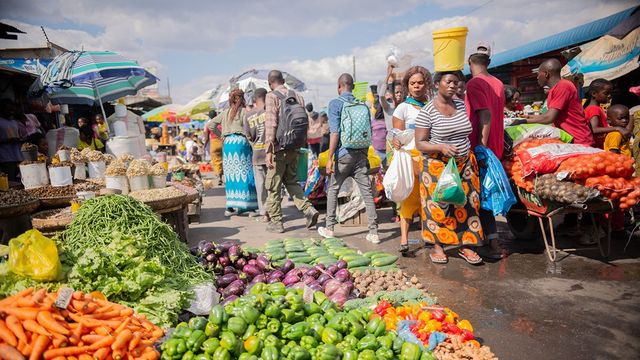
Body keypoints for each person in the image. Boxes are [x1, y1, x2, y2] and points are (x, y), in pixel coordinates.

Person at [414, 71, 484, 265]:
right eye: (449, 82)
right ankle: (438, 246)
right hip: (437, 166)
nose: (453, 86)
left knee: (468, 203)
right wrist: (441, 147)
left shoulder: (460, 104)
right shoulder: (427, 111)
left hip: (464, 164)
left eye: (456, 82)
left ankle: (466, 245)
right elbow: (420, 143)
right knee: (439, 206)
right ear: (437, 84)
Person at [317, 73, 379, 243]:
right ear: (352, 86)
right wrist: (365, 154)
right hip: (361, 153)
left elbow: (335, 132)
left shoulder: (335, 103)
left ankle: (329, 228)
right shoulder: (363, 105)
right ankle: (374, 233)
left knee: (333, 189)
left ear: (339, 86)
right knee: (366, 192)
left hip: (344, 154)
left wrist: (330, 157)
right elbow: (369, 133)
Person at [264, 70, 319, 233]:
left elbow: (271, 124)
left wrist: (269, 150)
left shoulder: (271, 96)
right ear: (283, 80)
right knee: (291, 182)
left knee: (273, 185)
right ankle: (309, 210)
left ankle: (276, 222)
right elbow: (306, 123)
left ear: (270, 83)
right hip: (294, 147)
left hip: (279, 149)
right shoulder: (297, 96)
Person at [465, 42, 506, 258]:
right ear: (489, 62)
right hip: (496, 147)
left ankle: (489, 244)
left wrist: (480, 147)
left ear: (469, 62)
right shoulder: (498, 82)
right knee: (486, 196)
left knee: (478, 197)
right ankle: (491, 241)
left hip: (481, 148)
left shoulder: (474, 84)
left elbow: (485, 115)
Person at [391, 66, 433, 254]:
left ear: (427, 85)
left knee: (428, 199)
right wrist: (396, 142)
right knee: (409, 199)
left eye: (420, 83)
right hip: (410, 160)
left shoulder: (433, 105)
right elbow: (396, 136)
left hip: (430, 159)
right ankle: (404, 240)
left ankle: (428, 237)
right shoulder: (402, 108)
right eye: (412, 83)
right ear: (407, 86)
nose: (416, 86)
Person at [208, 88, 258, 216]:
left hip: (228, 144)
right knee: (245, 173)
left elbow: (211, 125)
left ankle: (230, 207)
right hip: (241, 143)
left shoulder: (225, 112)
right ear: (242, 98)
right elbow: (250, 129)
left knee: (231, 175)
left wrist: (222, 135)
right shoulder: (244, 112)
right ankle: (248, 207)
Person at [526, 59, 594, 146]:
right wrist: (527, 117)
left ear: (546, 74)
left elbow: (549, 118)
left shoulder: (563, 86)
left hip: (579, 140)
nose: (537, 77)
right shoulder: (555, 89)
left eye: (538, 74)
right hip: (571, 140)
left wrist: (523, 121)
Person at [243, 88, 269, 220]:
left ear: (254, 99)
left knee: (260, 185)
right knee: (274, 185)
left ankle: (264, 213)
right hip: (271, 154)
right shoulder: (271, 111)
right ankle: (274, 211)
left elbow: (248, 136)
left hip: (257, 154)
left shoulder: (248, 115)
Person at [584, 79, 628, 149]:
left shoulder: (595, 108)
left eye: (610, 93)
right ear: (594, 94)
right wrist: (617, 128)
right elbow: (594, 129)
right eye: (606, 93)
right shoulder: (594, 109)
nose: (609, 96)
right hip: (597, 148)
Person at [0, 99, 23, 181]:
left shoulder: (14, 122)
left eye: (12, 110)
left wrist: (20, 139)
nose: (11, 112)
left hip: (17, 155)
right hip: (6, 157)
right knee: (10, 181)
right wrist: (7, 140)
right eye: (8, 109)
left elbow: (19, 135)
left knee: (20, 180)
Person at [206, 109, 224, 185]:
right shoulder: (221, 124)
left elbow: (206, 137)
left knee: (215, 161)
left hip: (213, 143)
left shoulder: (209, 124)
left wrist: (204, 145)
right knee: (222, 160)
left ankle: (219, 176)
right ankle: (222, 175)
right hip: (222, 142)